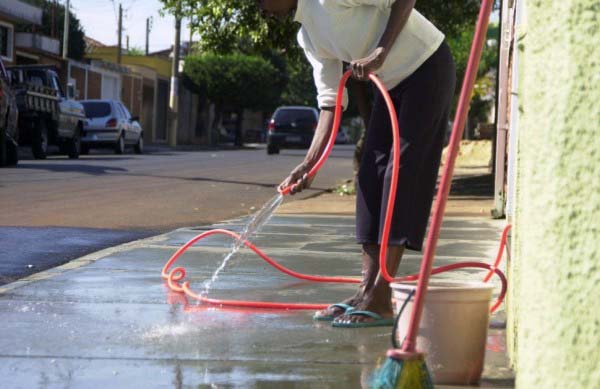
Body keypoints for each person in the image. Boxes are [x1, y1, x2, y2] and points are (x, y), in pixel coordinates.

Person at [258, 0, 456, 327]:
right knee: (369, 174)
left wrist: (381, 51)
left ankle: (382, 294)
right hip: (390, 85)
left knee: (400, 171)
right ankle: (366, 289)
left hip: (427, 66)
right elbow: (330, 105)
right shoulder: (309, 37)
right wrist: (309, 163)